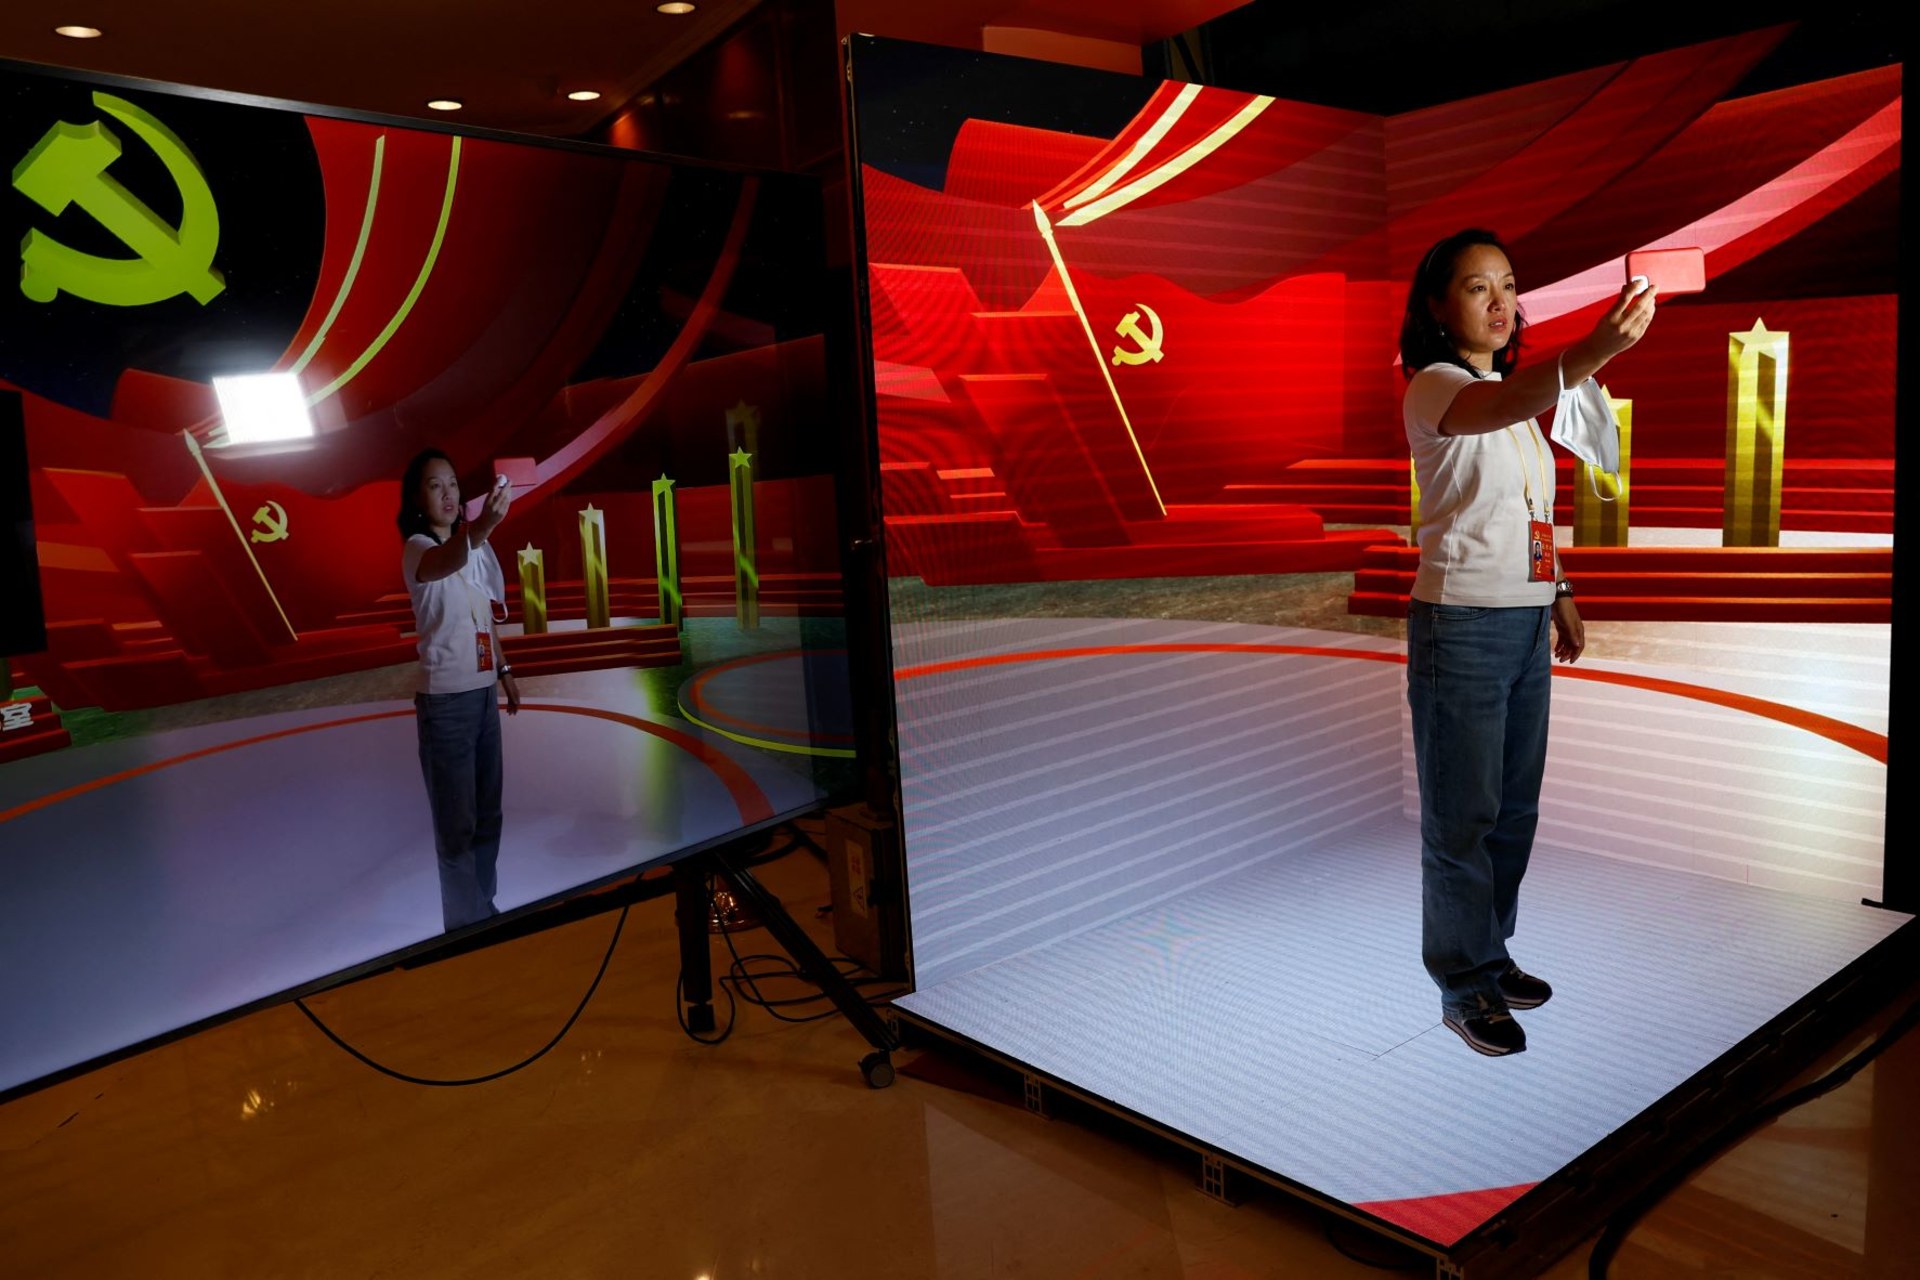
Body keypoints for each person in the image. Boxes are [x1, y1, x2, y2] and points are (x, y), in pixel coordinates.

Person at [1399, 228, 1657, 1056]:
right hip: (1461, 625)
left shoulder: (1510, 402)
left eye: (1508, 284)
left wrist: (1562, 591)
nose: (1501, 302)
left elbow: (1530, 513)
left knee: (1512, 812)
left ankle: (1491, 954)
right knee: (1461, 817)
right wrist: (1595, 349)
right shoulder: (1436, 388)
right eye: (1479, 288)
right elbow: (1506, 405)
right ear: (1439, 308)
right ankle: (1462, 985)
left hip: (1520, 620)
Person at [397, 448, 520, 931]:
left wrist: (504, 669)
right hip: (445, 704)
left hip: (483, 694)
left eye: (452, 483)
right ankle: (464, 929)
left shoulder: (474, 547)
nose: (448, 493)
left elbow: (483, 612)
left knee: (489, 816)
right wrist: (483, 527)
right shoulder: (419, 548)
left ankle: (482, 910)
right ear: (418, 498)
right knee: (457, 829)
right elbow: (446, 562)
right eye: (435, 485)